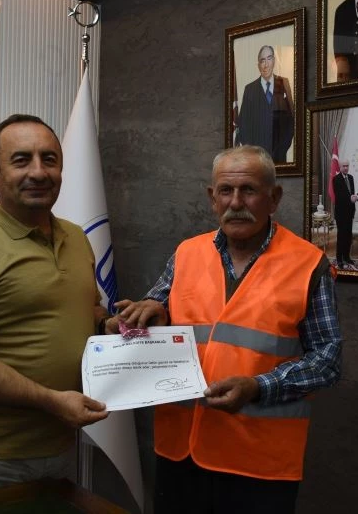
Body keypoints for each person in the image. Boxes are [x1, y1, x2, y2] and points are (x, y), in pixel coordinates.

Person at [113, 145, 342, 514]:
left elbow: (327, 360)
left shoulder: (308, 264)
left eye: (248, 190)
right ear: (212, 198)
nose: (236, 202)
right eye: (225, 191)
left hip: (259, 464)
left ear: (274, 198)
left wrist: (258, 387)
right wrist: (149, 313)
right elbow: (156, 313)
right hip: (180, 455)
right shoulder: (186, 254)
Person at [0, 114, 111, 500]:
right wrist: (52, 401)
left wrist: (111, 323)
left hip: (61, 444)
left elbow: (86, 310)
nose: (38, 172)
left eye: (49, 159)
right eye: (21, 160)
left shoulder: (77, 238)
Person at [235, 45, 295, 162]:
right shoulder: (250, 89)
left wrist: (281, 149)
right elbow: (244, 126)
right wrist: (254, 153)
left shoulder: (284, 83)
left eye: (269, 58)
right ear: (258, 65)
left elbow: (291, 120)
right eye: (262, 60)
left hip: (279, 159)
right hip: (257, 160)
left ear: (274, 61)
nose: (266, 64)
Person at [333, 158, 356, 268]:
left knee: (348, 236)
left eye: (347, 166)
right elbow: (339, 196)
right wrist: (350, 198)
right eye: (344, 166)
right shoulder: (336, 179)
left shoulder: (351, 178)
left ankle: (347, 257)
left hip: (350, 212)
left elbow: (352, 193)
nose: (346, 168)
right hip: (341, 213)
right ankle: (339, 259)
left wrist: (354, 201)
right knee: (341, 236)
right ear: (340, 167)